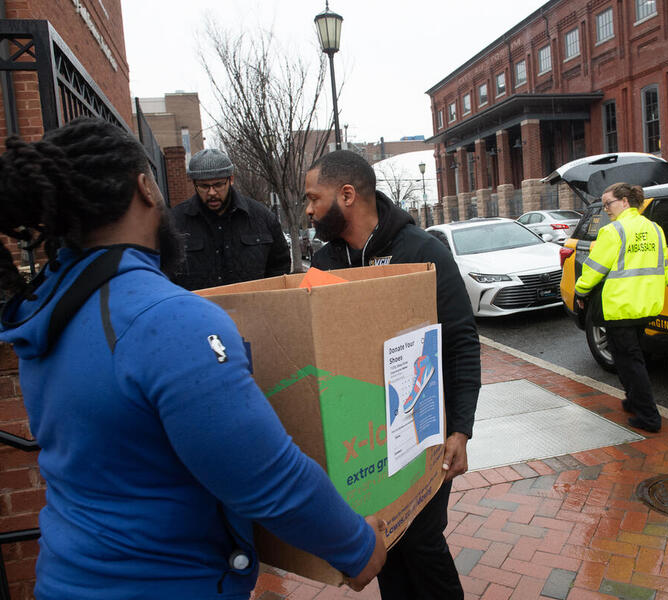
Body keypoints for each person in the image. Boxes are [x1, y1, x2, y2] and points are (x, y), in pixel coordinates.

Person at [0, 118, 385, 600]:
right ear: (146, 188)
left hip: (68, 576)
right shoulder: (167, 320)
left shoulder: (50, 311)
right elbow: (266, 477)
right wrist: (357, 545)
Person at [304, 150, 481, 600]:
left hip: (421, 434)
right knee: (386, 548)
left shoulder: (422, 252)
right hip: (364, 446)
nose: (307, 209)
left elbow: (461, 341)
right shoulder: (323, 267)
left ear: (347, 195)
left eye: (313, 198)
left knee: (421, 543)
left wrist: (460, 429)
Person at [574, 182, 668, 433]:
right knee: (629, 356)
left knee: (629, 362)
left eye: (608, 203)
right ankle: (632, 400)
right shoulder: (655, 229)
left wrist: (580, 291)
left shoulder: (614, 231)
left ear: (625, 201)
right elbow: (664, 267)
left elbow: (594, 269)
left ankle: (649, 417)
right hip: (646, 305)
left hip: (621, 307)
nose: (605, 209)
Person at [171, 148, 291, 290]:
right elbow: (164, 273)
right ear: (194, 184)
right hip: (197, 310)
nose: (212, 192)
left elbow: (279, 267)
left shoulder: (262, 218)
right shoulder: (175, 222)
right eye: (203, 186)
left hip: (252, 308)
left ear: (231, 179)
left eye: (218, 184)